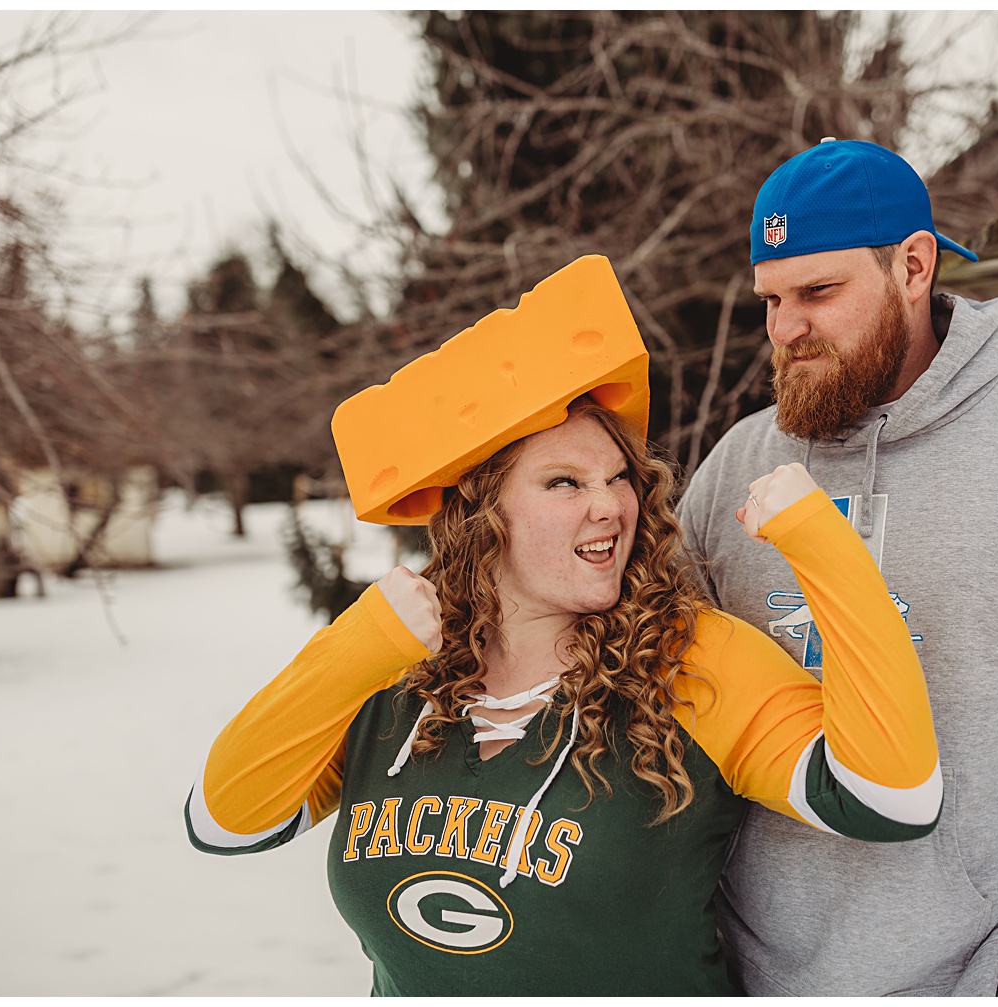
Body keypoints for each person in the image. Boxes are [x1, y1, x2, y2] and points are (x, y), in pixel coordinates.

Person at [184, 255, 943, 995]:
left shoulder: (691, 660)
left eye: (618, 478)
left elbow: (889, 796)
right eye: (564, 482)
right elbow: (225, 818)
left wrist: (821, 545)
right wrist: (358, 646)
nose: (610, 505)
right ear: (483, 515)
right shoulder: (395, 675)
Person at [677, 140, 998, 995]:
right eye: (770, 298)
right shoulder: (737, 465)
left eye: (818, 291)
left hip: (970, 977)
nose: (784, 329)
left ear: (913, 266)